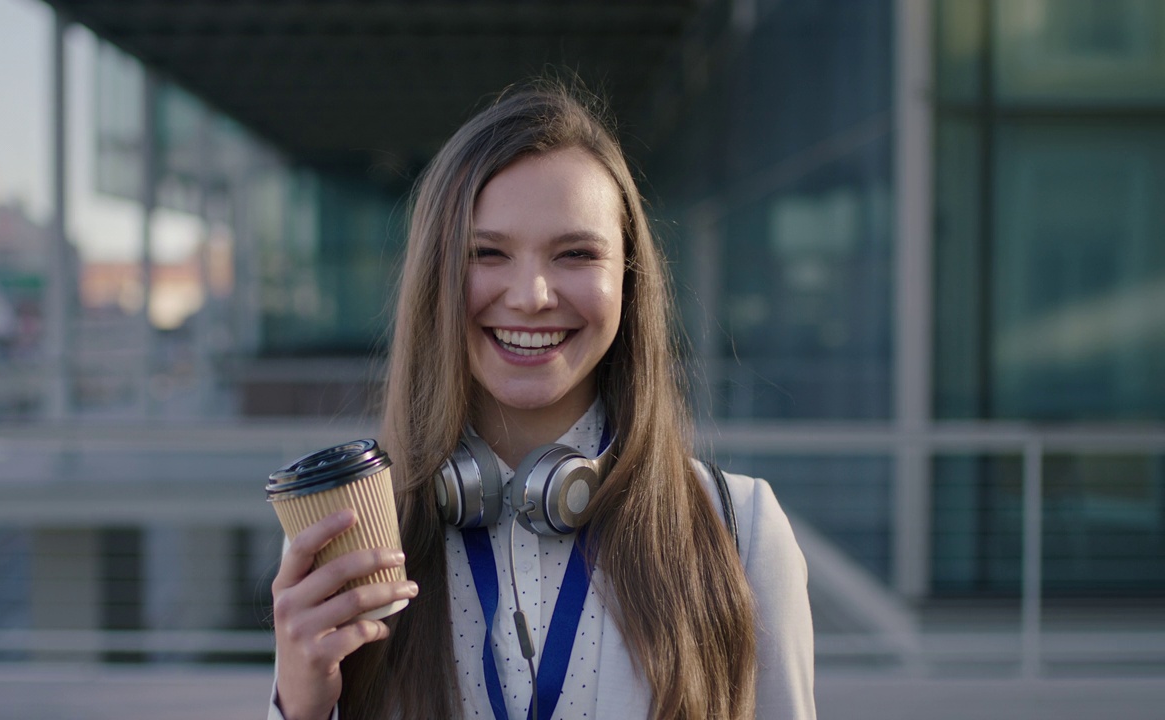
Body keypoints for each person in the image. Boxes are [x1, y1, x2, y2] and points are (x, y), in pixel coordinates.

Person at [269, 81, 815, 720]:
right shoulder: (351, 541)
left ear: (628, 281)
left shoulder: (741, 529)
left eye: (576, 254)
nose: (531, 295)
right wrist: (300, 706)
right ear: (435, 279)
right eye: (488, 253)